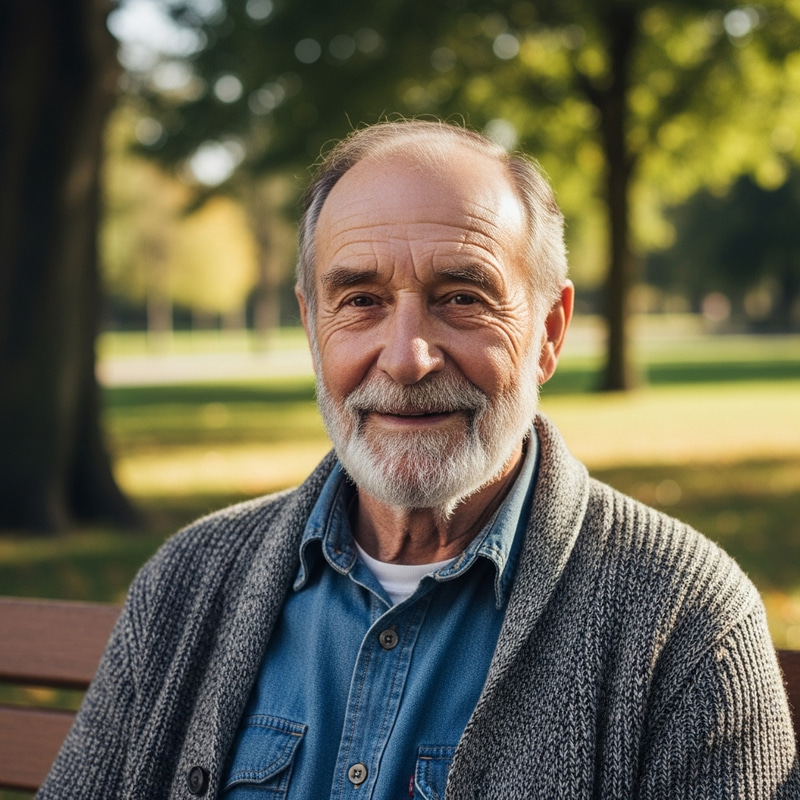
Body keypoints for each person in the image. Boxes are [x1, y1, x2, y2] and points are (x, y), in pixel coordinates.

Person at [39, 119, 798, 799]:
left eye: (462, 297)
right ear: (313, 328)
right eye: (360, 300)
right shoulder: (187, 581)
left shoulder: (682, 617)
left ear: (549, 332)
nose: (406, 358)